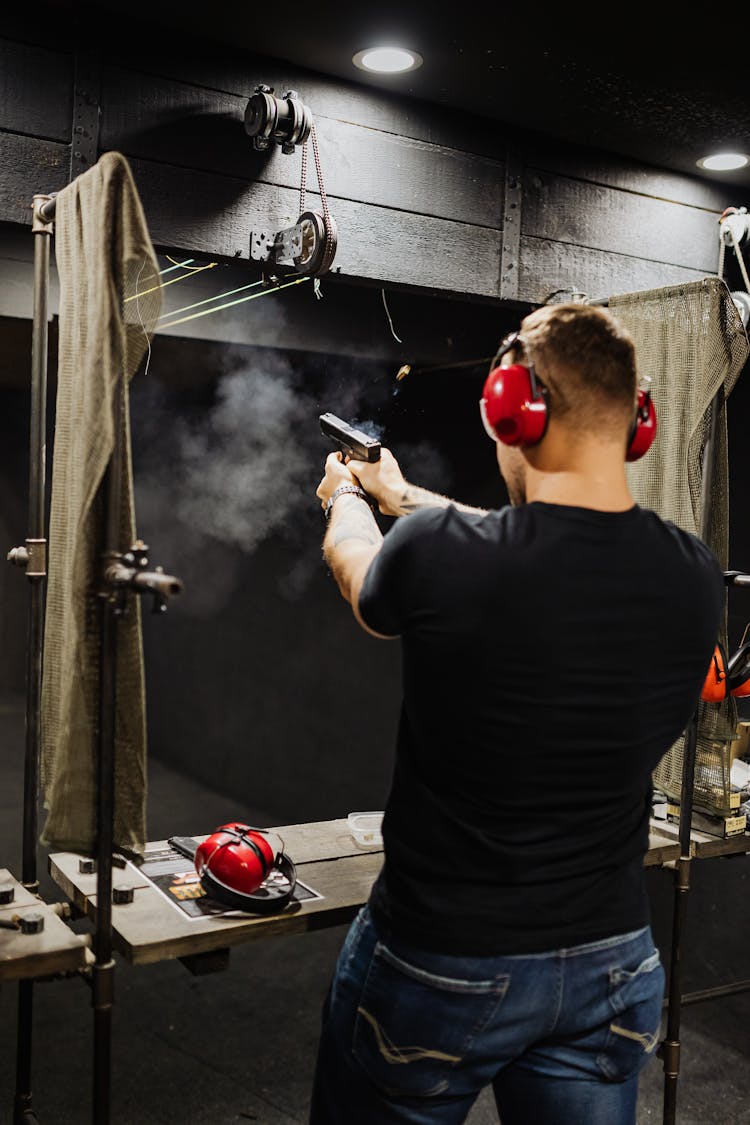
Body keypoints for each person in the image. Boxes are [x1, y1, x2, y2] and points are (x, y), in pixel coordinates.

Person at [309, 303, 724, 1125]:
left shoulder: (441, 557)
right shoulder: (692, 573)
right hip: (613, 961)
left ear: (512, 408)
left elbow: (362, 575)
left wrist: (346, 502)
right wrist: (402, 494)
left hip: (442, 959)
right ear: (634, 423)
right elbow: (530, 545)